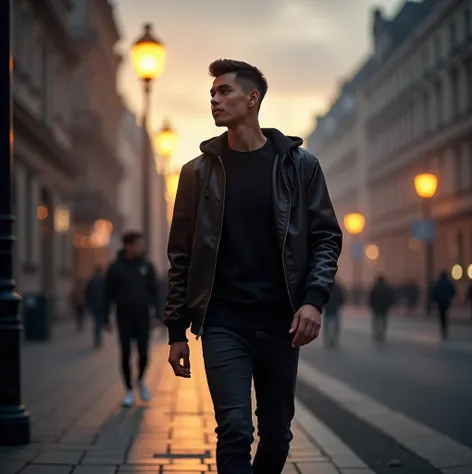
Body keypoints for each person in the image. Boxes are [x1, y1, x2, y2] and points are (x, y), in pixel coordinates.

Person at [164, 59, 342, 474]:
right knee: (235, 430)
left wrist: (313, 301)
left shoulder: (299, 167)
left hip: (282, 322)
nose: (214, 99)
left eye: (224, 91)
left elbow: (326, 237)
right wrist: (176, 330)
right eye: (211, 93)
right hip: (223, 322)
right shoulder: (195, 174)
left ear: (252, 97)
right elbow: (181, 256)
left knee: (277, 434)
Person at [103, 231, 162, 407]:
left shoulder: (147, 266)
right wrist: (105, 319)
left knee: (144, 352)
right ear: (128, 246)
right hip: (124, 316)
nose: (141, 247)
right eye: (138, 244)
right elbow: (107, 295)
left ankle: (141, 380)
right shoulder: (115, 268)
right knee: (126, 352)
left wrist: (158, 315)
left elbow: (155, 292)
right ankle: (128, 390)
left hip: (143, 315)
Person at [368, 275, 394, 343]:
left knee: (376, 320)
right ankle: (382, 332)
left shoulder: (375, 288)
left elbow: (371, 297)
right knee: (383, 320)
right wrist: (390, 304)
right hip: (384, 306)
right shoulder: (387, 288)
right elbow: (390, 297)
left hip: (376, 307)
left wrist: (371, 305)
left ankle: (377, 332)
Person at [85, 265, 105, 348]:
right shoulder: (103, 281)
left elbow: (87, 293)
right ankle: (99, 339)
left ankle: (97, 339)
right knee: (99, 322)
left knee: (96, 321)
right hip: (102, 304)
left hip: (94, 305)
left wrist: (88, 304)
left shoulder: (91, 281)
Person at [431, 270, 456, 340]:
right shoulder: (449, 283)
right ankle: (445, 328)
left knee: (442, 316)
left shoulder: (438, 283)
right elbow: (453, 292)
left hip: (440, 302)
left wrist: (434, 301)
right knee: (445, 315)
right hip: (446, 302)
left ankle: (443, 328)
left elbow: (434, 293)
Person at [323, 279, 345, 348]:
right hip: (335, 307)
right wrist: (340, 303)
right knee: (335, 323)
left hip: (328, 307)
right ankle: (334, 338)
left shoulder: (326, 285)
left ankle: (328, 338)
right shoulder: (338, 286)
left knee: (327, 323)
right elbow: (341, 296)